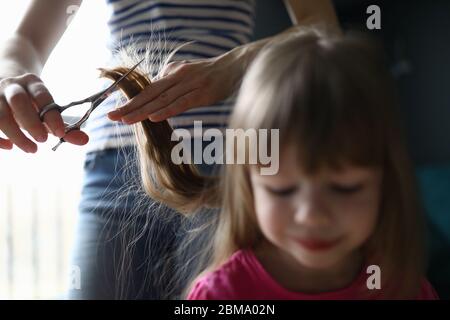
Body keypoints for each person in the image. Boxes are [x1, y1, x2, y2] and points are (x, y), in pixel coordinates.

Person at [0, 0, 341, 299]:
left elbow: (322, 30)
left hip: (222, 166)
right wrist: (10, 75)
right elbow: (27, 39)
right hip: (115, 164)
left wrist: (233, 65)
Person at [136, 29, 439, 299]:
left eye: (345, 188)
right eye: (281, 190)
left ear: (385, 183)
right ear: (249, 187)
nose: (312, 216)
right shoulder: (221, 294)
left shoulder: (405, 290)